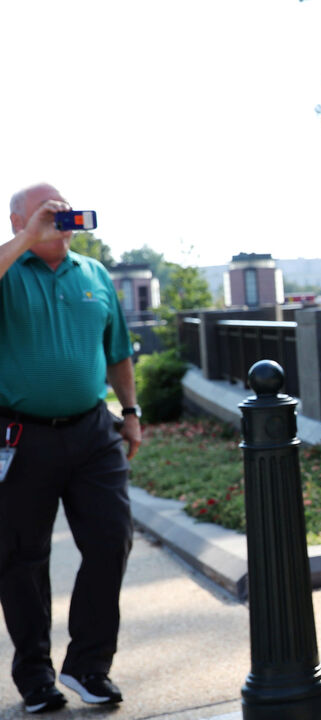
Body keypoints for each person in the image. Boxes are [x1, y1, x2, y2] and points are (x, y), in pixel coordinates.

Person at [0, 183, 141, 714]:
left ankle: (88, 665)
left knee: (111, 541)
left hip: (91, 433)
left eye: (61, 210)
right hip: (18, 435)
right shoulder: (8, 270)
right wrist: (27, 239)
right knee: (21, 559)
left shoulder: (94, 274)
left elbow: (119, 350)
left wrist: (130, 413)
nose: (58, 219)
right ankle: (35, 676)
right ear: (17, 222)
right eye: (43, 212)